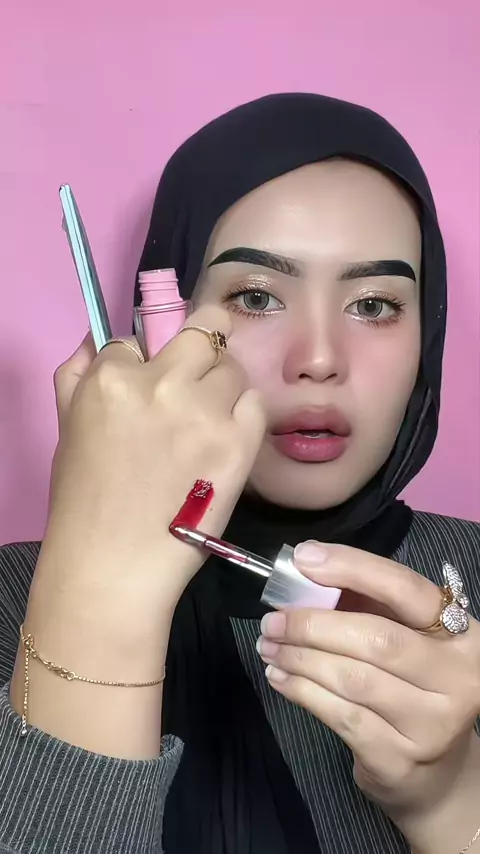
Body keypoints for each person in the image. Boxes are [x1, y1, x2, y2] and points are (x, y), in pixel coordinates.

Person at [0, 93, 479, 854]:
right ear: (161, 328)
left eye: (374, 304)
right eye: (256, 297)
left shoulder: (469, 577)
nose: (317, 358)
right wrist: (95, 601)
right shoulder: (13, 601)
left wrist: (452, 805)